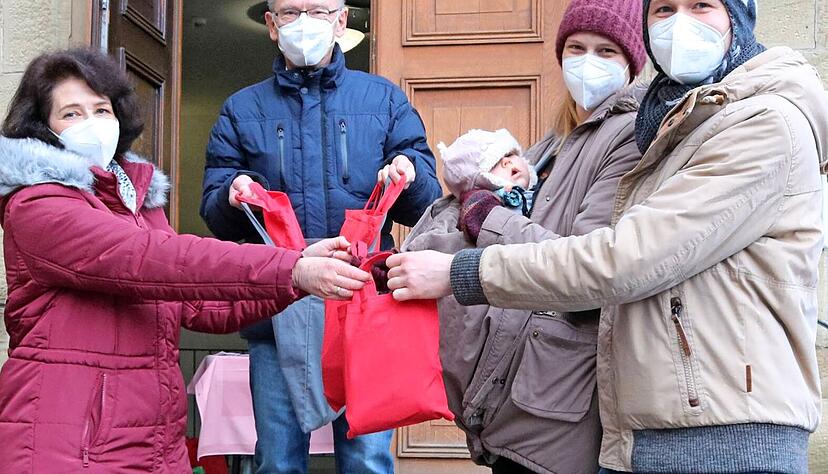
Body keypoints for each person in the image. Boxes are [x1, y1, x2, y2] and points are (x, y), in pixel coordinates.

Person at [388, 0, 828, 472]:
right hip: (659, 416)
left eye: (701, 5)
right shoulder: (673, 122)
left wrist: (464, 271)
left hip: (727, 428)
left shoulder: (759, 124)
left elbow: (626, 260)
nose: (679, 25)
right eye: (663, 9)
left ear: (738, 20)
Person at [0, 48, 370, 472]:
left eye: (101, 109)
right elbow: (151, 260)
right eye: (71, 113)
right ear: (42, 129)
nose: (92, 124)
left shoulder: (135, 202)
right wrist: (290, 265)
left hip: (151, 436)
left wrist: (298, 274)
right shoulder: (38, 203)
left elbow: (196, 302)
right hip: (67, 437)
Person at [402, 1, 647, 472]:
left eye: (607, 51)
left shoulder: (630, 140)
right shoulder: (549, 146)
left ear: (632, 65)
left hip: (556, 405)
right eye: (576, 48)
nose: (587, 62)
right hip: (511, 400)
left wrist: (485, 214)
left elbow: (583, 265)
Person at [199, 0, 442, 472]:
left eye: (317, 9)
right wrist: (231, 194)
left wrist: (408, 174)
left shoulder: (384, 99)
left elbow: (426, 201)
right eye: (290, 12)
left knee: (368, 459)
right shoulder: (240, 109)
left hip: (363, 309)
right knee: (277, 460)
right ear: (271, 26)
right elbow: (213, 209)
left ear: (341, 20)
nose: (303, 23)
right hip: (277, 310)